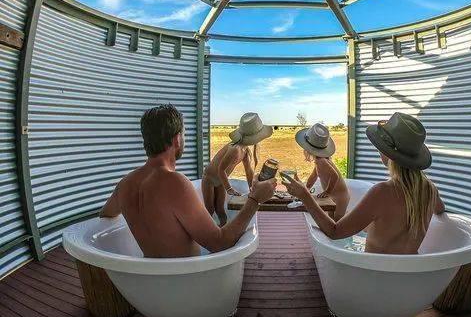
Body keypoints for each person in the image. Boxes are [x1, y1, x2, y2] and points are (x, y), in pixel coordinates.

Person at [100, 104, 276, 258]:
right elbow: (219, 243)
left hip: (149, 278)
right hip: (188, 278)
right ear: (177, 139)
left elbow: (106, 214)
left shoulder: (125, 184)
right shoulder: (174, 183)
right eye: (184, 135)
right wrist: (255, 200)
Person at [283, 112, 445, 254]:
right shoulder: (430, 189)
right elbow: (440, 210)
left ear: (388, 153)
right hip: (410, 271)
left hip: (373, 271)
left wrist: (305, 196)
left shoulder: (382, 192)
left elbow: (334, 232)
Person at [202, 112, 273, 226]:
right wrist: (229, 188)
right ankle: (206, 231)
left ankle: (222, 230)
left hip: (220, 180)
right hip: (209, 179)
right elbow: (221, 169)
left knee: (220, 209)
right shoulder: (234, 149)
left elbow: (248, 171)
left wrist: (252, 189)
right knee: (209, 210)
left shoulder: (245, 151)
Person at [294, 123, 349, 220]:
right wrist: (306, 188)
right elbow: (313, 176)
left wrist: (327, 191)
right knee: (331, 219)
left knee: (336, 223)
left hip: (340, 198)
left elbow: (335, 176)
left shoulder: (322, 161)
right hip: (334, 196)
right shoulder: (319, 160)